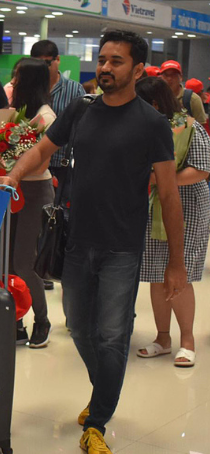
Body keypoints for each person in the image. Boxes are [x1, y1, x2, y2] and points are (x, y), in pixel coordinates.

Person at [0, 30, 187, 454]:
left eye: (116, 62)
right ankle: (104, 391)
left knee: (112, 335)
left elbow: (170, 195)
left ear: (138, 70)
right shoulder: (81, 111)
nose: (104, 68)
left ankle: (97, 419)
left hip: (123, 246)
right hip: (77, 241)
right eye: (102, 60)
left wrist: (176, 263)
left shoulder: (152, 124)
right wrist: (12, 172)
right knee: (80, 327)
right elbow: (42, 149)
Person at [134, 77, 210, 368]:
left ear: (154, 103)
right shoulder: (143, 127)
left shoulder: (188, 126)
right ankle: (162, 338)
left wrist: (164, 180)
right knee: (155, 272)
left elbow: (202, 170)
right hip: (152, 207)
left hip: (187, 208)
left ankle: (187, 340)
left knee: (179, 274)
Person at [7, 58, 57, 348]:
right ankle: (14, 318)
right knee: (5, 262)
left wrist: (12, 165)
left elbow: (40, 165)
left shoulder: (45, 117)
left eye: (17, 77)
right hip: (11, 192)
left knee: (25, 263)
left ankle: (42, 320)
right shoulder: (18, 114)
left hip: (35, 193)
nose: (13, 82)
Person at [30, 40, 85, 195]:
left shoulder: (74, 90)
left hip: (62, 165)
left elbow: (81, 126)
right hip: (33, 165)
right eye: (38, 63)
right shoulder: (29, 90)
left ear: (58, 60)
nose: (43, 68)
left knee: (62, 213)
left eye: (47, 63)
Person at [159, 60, 208, 124]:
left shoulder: (192, 99)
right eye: (166, 75)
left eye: (173, 75)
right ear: (160, 78)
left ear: (181, 77)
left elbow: (201, 127)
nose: (169, 78)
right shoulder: (156, 97)